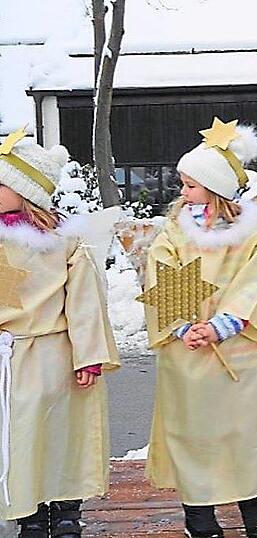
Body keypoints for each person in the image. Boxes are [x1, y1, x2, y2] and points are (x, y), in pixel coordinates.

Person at [143, 119, 257, 537]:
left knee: (243, 434)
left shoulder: (255, 236)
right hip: (189, 351)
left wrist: (223, 324)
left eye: (190, 185)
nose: (182, 193)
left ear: (215, 189)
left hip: (239, 350)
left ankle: (255, 513)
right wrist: (187, 325)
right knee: (193, 431)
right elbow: (161, 272)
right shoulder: (175, 233)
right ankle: (199, 516)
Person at [0, 133, 120, 537]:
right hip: (8, 357)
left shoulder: (65, 241)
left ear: (25, 190)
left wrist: (88, 354)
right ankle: (30, 511)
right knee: (22, 435)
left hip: (56, 351)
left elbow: (85, 300)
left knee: (63, 432)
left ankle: (67, 508)